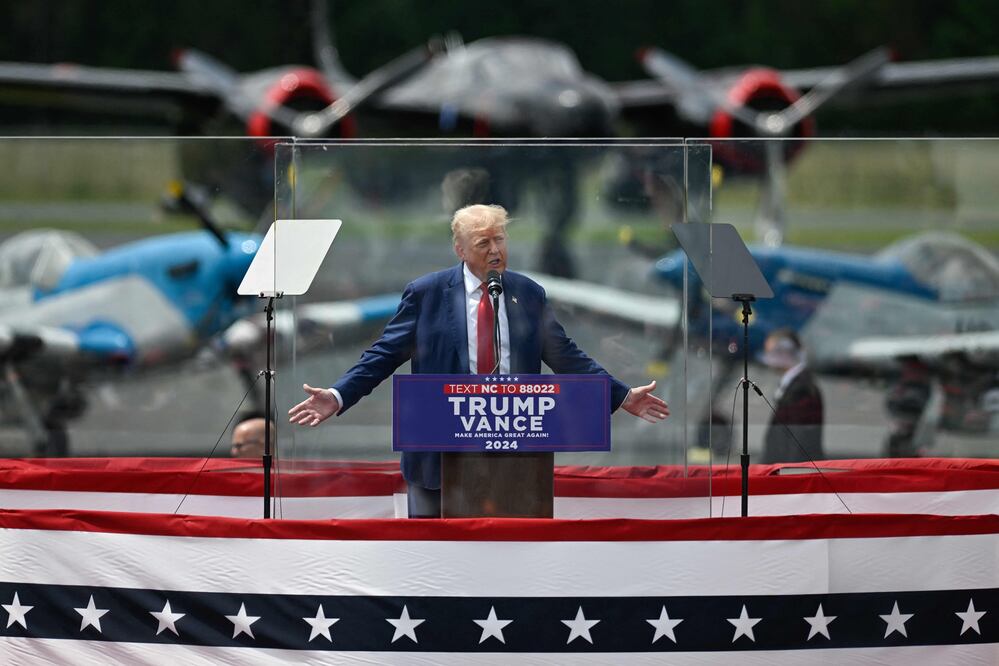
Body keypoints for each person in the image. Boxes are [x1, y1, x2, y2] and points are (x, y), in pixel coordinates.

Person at [289, 204, 670, 517]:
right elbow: (383, 354)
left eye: (500, 239)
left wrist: (620, 396)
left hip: (514, 457)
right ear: (460, 249)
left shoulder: (527, 293)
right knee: (434, 559)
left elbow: (565, 354)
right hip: (438, 458)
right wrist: (338, 395)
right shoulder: (427, 294)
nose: (494, 250)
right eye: (483, 242)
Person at [761, 329, 824, 464]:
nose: (768, 358)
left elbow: (800, 440)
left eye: (771, 352)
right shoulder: (795, 385)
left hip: (790, 473)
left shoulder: (802, 390)